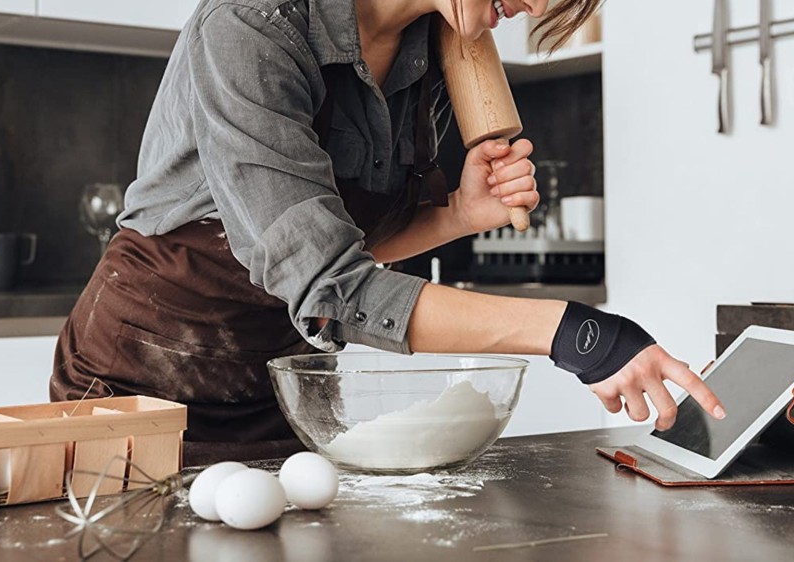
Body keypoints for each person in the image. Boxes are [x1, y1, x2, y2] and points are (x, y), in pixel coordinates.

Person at [51, 0, 725, 465]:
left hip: (283, 384)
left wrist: (456, 216)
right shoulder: (252, 25)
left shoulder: (431, 53)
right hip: (141, 376)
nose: (535, 7)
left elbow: (344, 250)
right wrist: (583, 335)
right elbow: (331, 290)